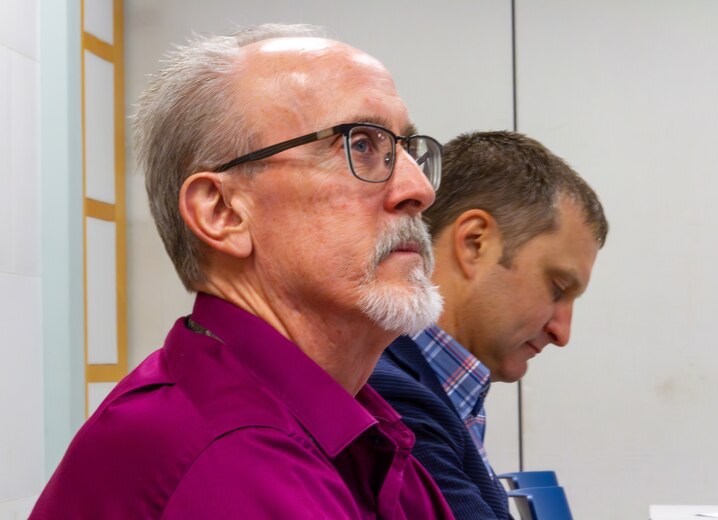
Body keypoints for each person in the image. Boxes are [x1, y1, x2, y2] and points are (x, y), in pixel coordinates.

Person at [31, 24, 455, 519]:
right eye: (359, 144)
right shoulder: (227, 457)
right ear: (222, 213)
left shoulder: (352, 426)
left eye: (404, 149)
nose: (418, 188)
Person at [369, 131, 609, 519]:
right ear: (475, 243)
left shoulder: (435, 389)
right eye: (557, 287)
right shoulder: (394, 398)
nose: (562, 333)